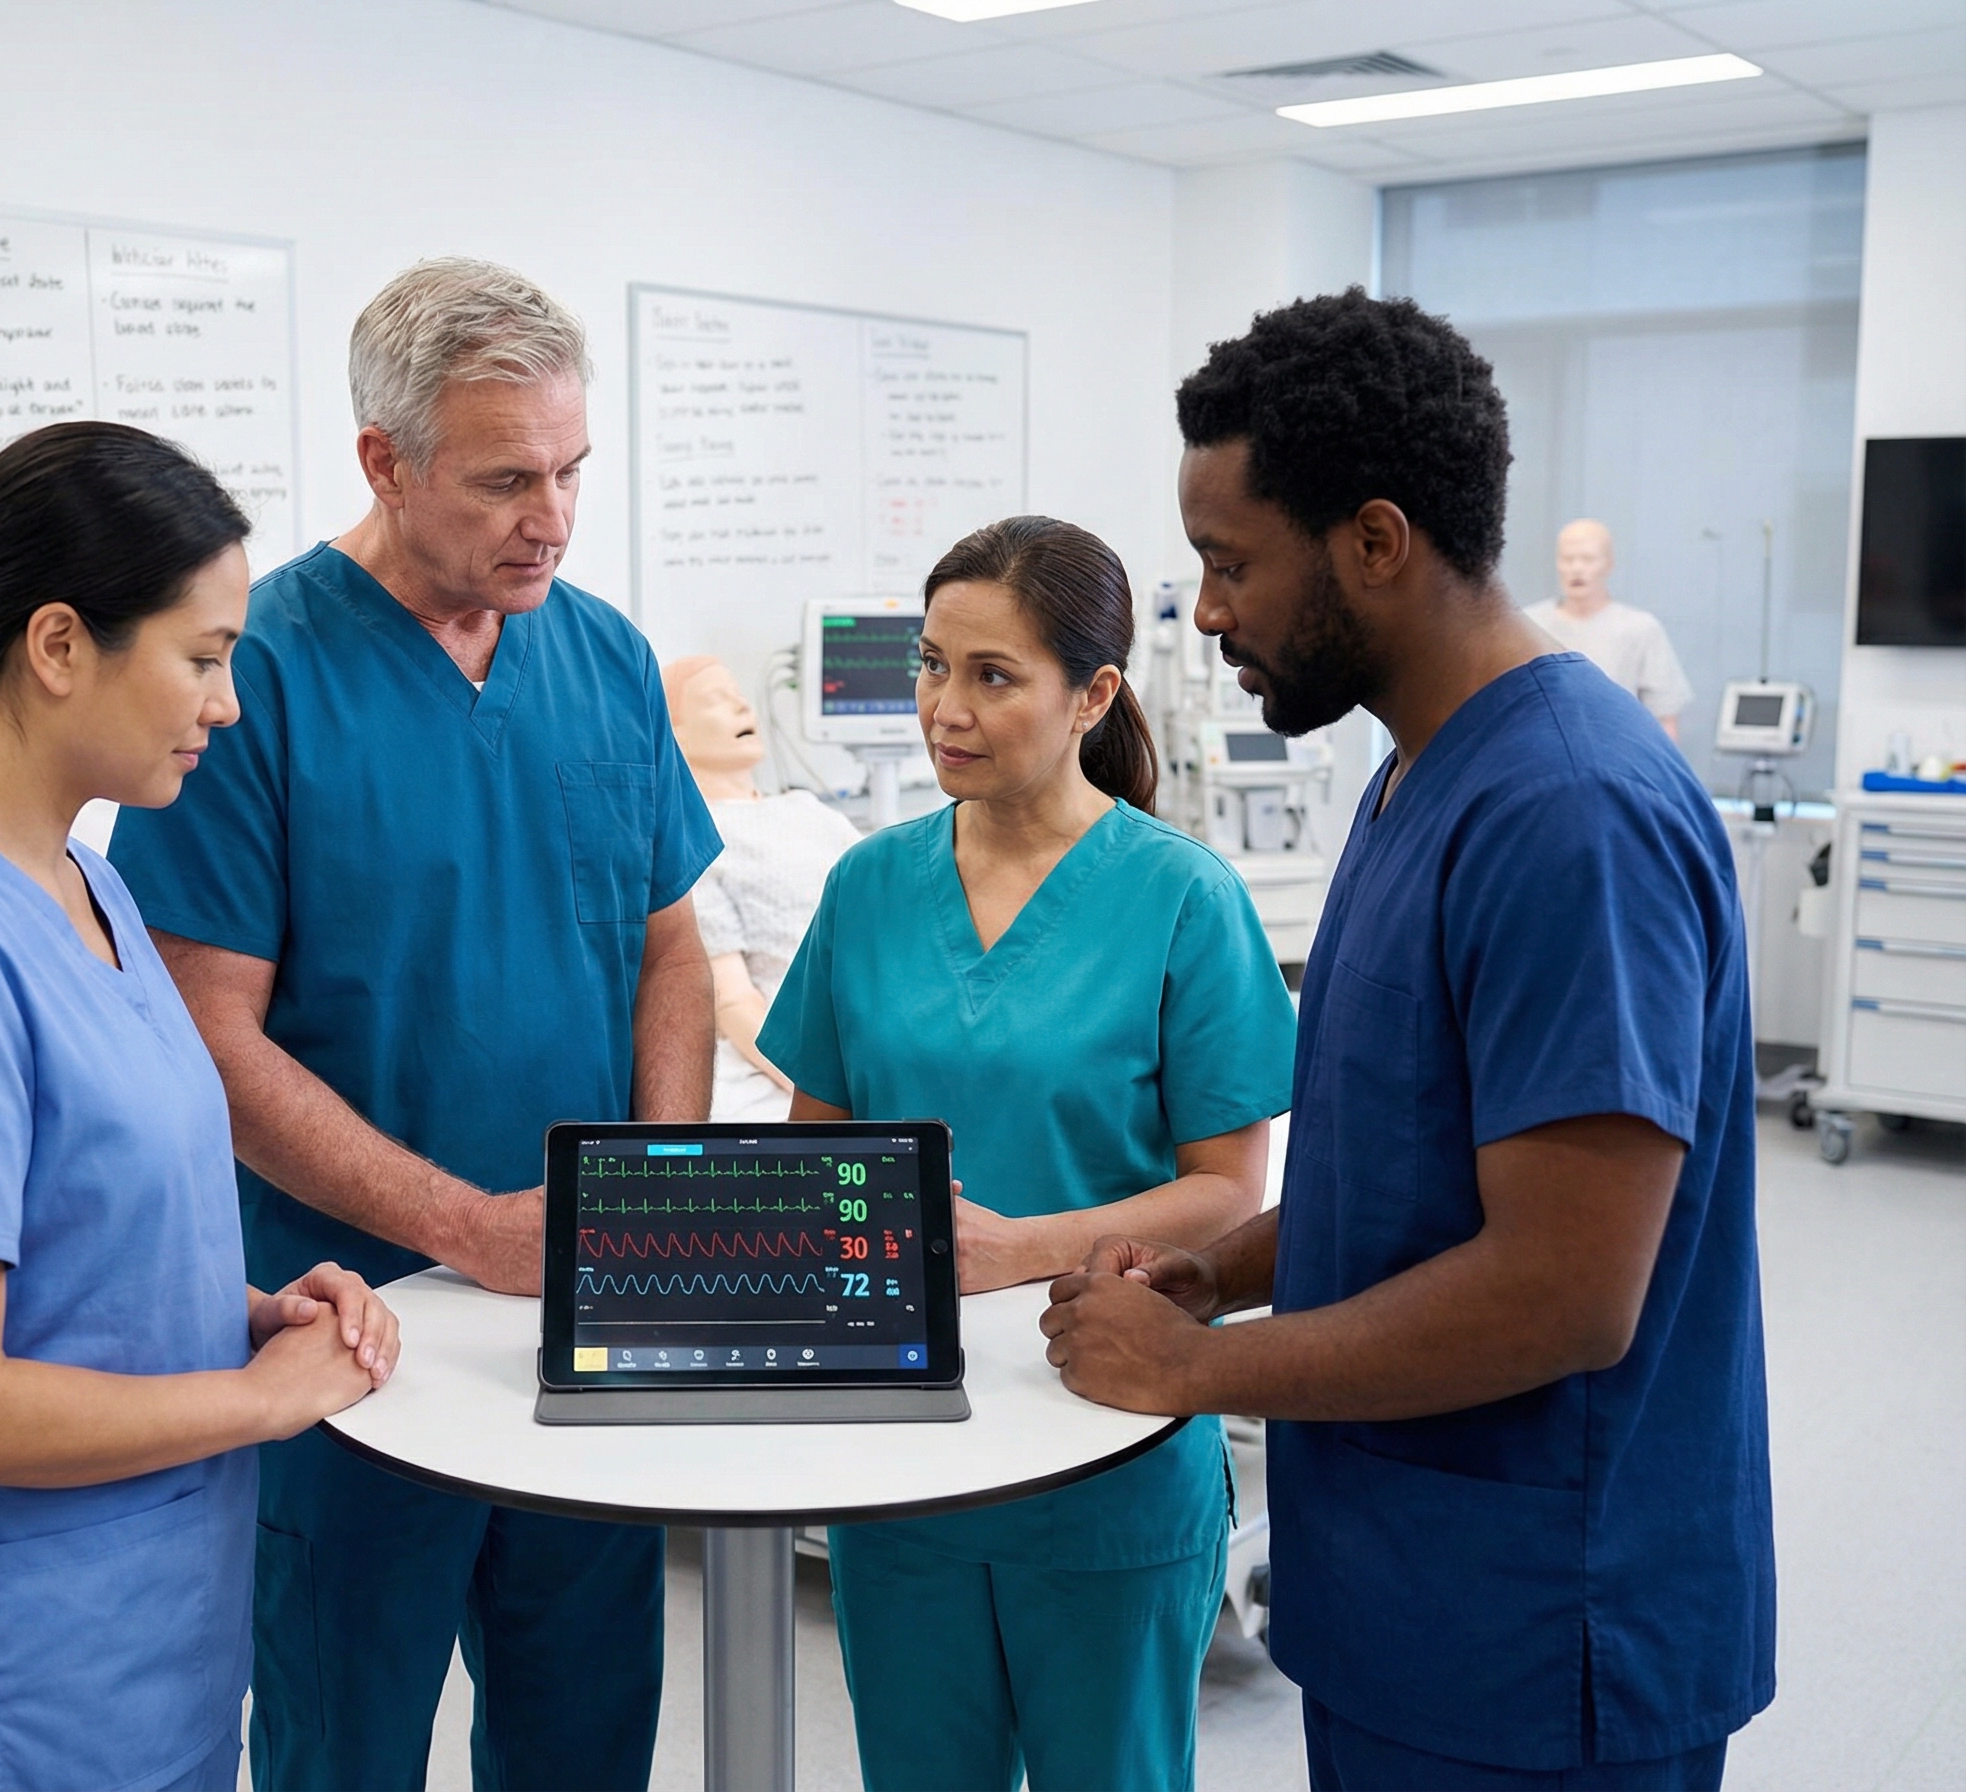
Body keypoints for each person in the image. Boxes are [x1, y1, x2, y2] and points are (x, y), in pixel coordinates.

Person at [1042, 290, 1772, 1790]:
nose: (1210, 611)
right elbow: (1413, 1168)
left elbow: (1565, 1292)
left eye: (1232, 563)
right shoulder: (1413, 779)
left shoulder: (1569, 815)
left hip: (1544, 1634)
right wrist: (1227, 1271)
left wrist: (1195, 1372)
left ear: (1376, 542)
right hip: (1405, 1602)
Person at [107, 258, 719, 1792]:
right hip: (347, 1335)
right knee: (347, 1741)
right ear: (385, 461)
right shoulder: (258, 677)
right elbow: (212, 1040)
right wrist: (466, 1228)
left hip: (583, 1325)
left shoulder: (605, 659)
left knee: (584, 1736)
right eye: (508, 479)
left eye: (574, 471)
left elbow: (670, 952)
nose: (554, 519)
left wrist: (655, 1183)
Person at [0, 421, 397, 1792]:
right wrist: (260, 1404)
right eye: (204, 656)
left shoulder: (90, 887)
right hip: (15, 1683)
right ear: (59, 647)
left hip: (149, 1643)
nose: (226, 703)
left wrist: (245, 1319)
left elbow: (74, 1247)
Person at [758, 517, 1296, 1792]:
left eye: (991, 675)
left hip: (1102, 1444)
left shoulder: (1182, 898)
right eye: (931, 665)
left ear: (1093, 692)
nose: (945, 707)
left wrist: (1008, 1251)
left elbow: (1231, 1193)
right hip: (901, 1454)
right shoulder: (869, 887)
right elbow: (814, 1160)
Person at [663, 654, 861, 1122]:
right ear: (671, 734)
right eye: (716, 701)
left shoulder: (811, 810)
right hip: (774, 1058)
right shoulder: (694, 835)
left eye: (738, 695)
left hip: (862, 1033)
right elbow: (732, 1001)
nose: (740, 708)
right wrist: (822, 1091)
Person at [1524, 518, 1693, 738]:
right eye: (1567, 559)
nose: (1576, 568)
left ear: (1608, 563)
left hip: (1617, 756)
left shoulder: (1640, 628)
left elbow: (1664, 718)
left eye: (1588, 559)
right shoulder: (1528, 625)